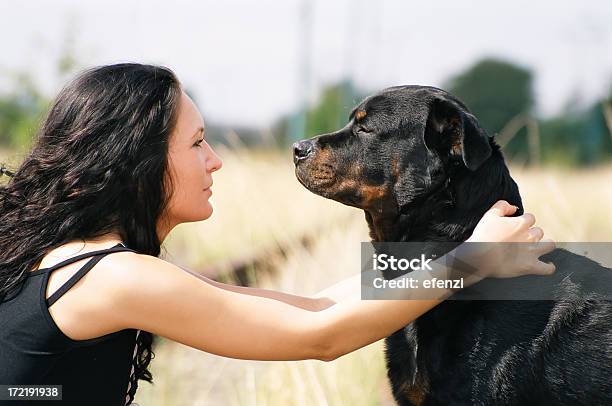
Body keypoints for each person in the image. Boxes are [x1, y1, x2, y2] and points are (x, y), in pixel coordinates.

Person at [0, 63, 555, 406]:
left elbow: (312, 304)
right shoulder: (113, 278)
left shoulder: (76, 259)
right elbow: (320, 333)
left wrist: (457, 253)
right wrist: (472, 263)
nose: (215, 160)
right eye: (196, 144)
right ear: (138, 163)